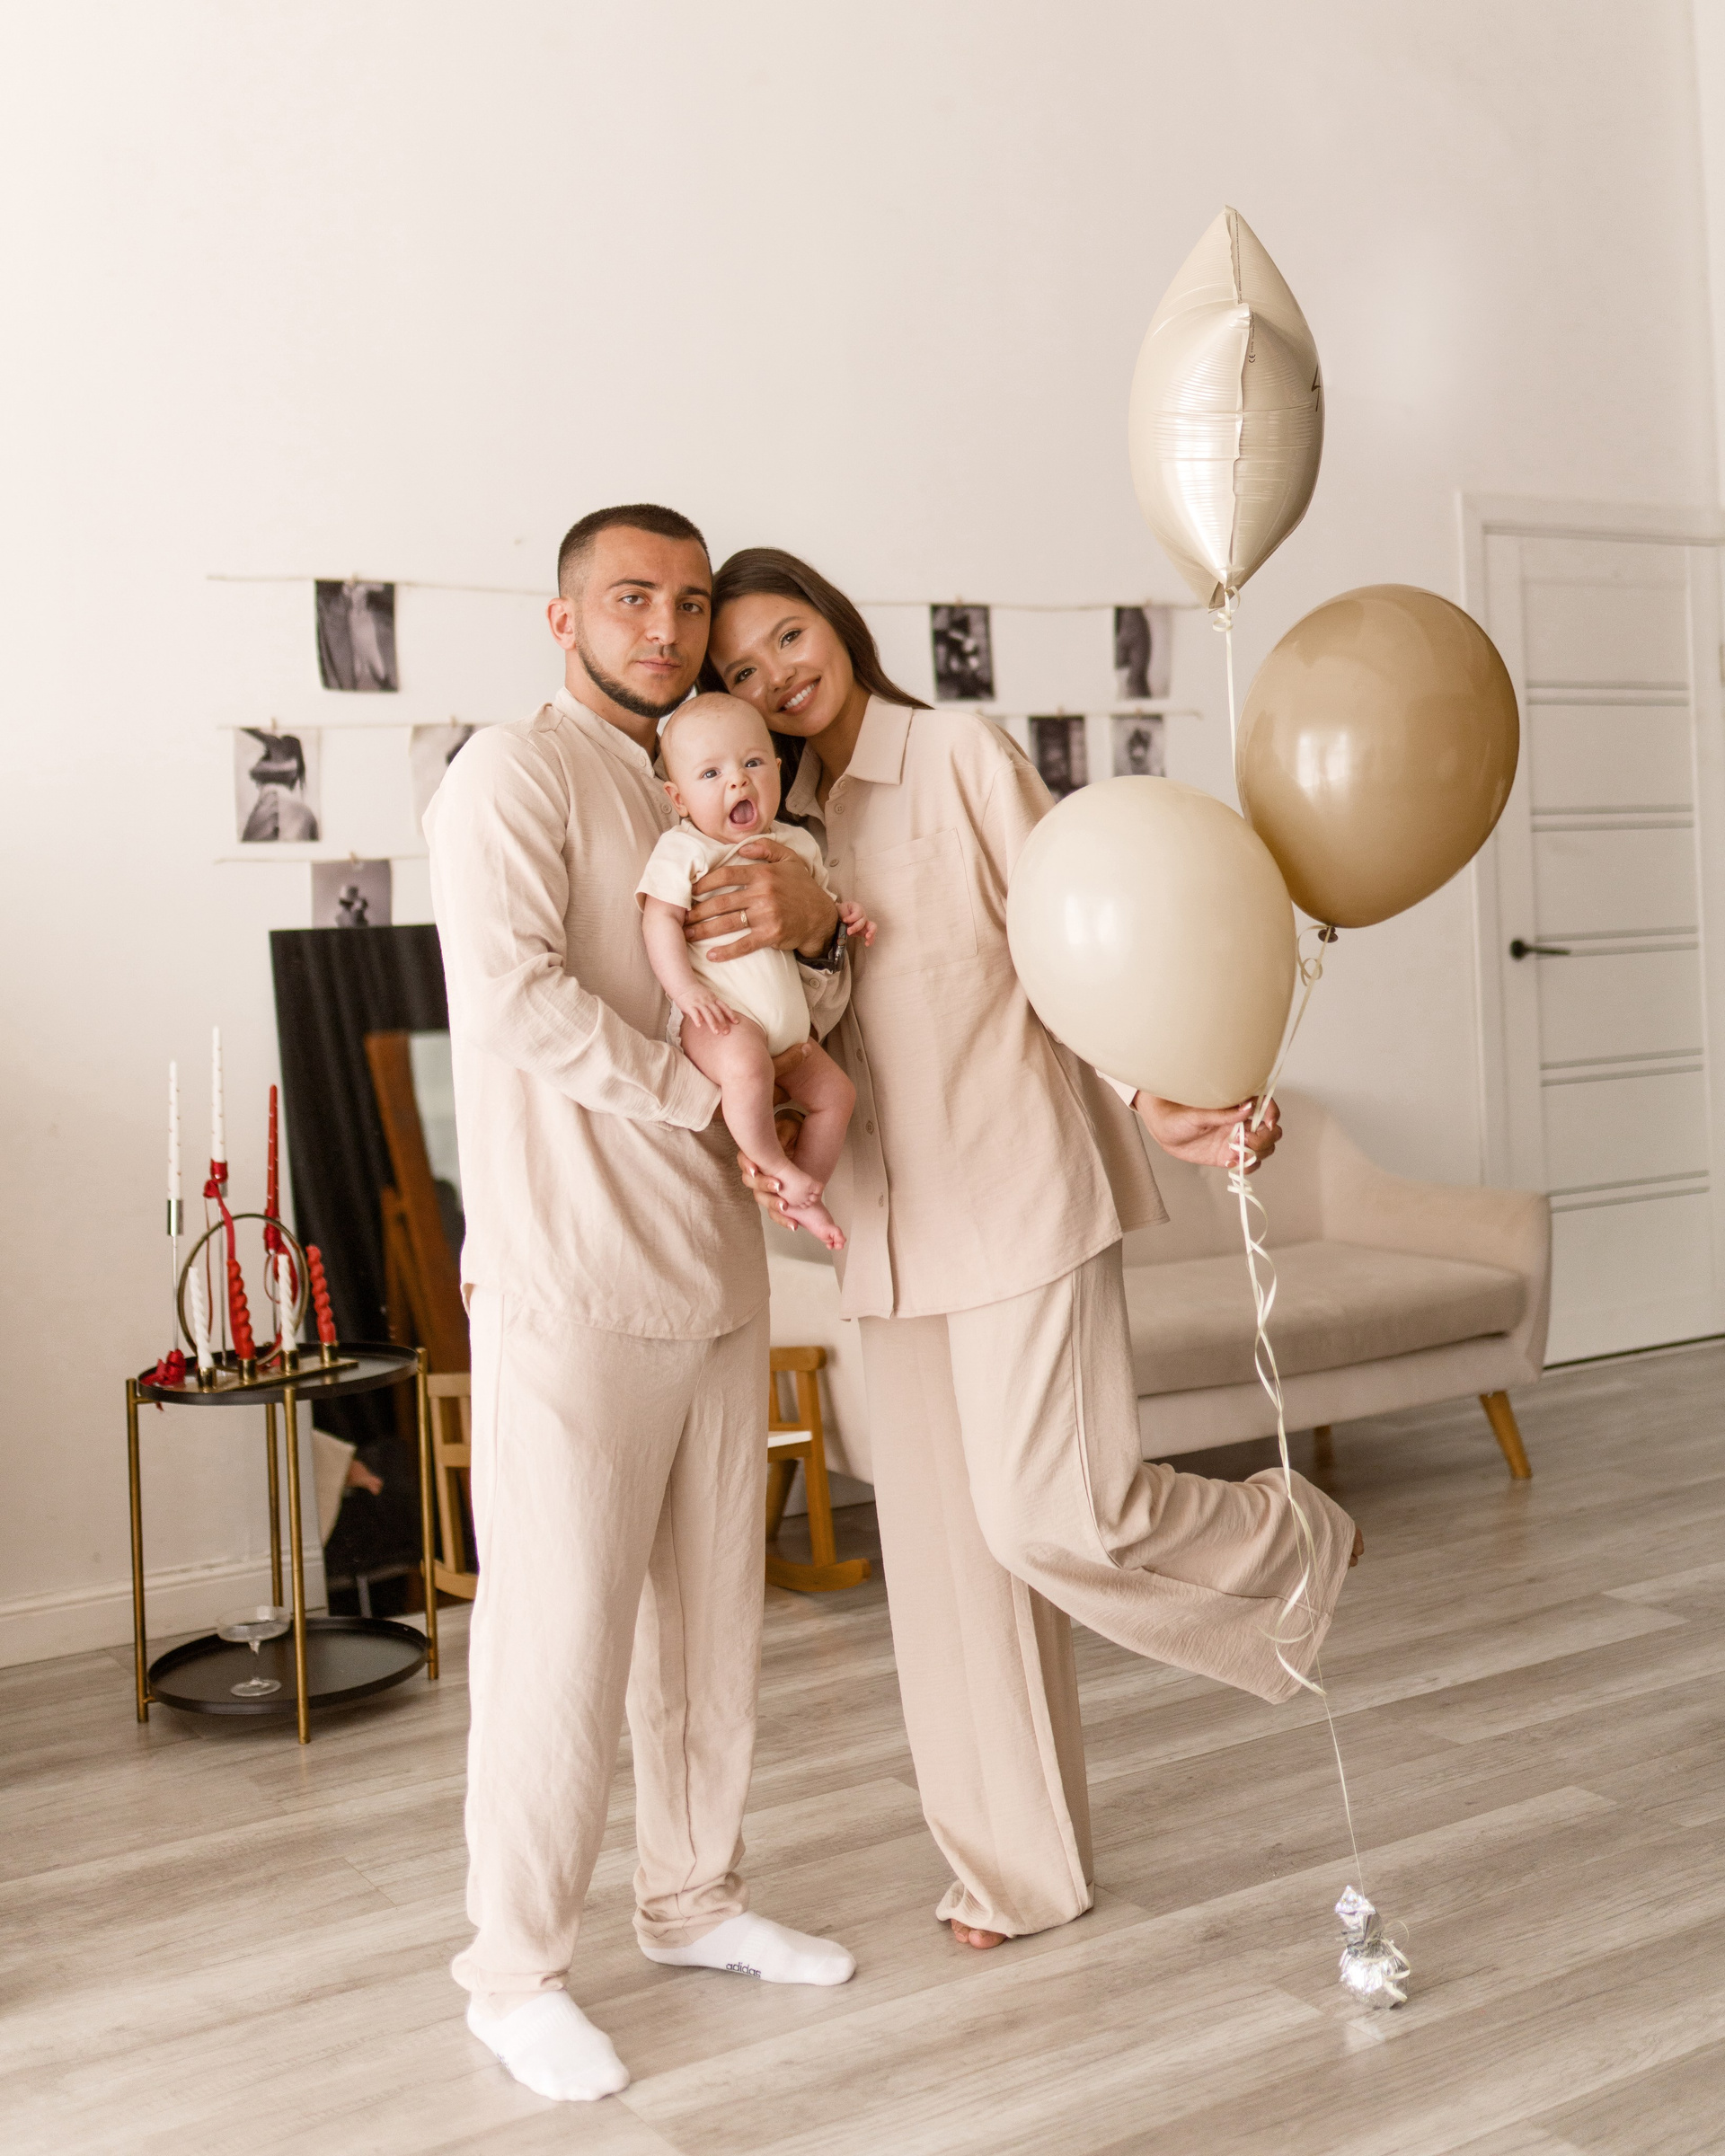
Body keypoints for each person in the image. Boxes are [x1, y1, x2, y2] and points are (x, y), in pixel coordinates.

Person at [701, 546, 1363, 1952]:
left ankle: (1290, 1538)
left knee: (1055, 1515)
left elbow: (1073, 948)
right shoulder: (766, 827)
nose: (776, 677)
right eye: (742, 670)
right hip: (887, 1228)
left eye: (790, 636)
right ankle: (1016, 1873)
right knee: (950, 1580)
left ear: (838, 621)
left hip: (1015, 1189)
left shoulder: (955, 755)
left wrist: (1155, 1096)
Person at [425, 506, 857, 2107]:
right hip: (568, 1275)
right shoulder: (510, 776)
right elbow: (514, 997)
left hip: (716, 1271)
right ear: (563, 619)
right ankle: (514, 1974)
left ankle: (694, 1902)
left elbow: (798, 996)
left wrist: (813, 944)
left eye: (687, 602)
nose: (665, 629)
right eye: (629, 600)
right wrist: (701, 1100)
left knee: (709, 1624)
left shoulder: (723, 781)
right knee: (557, 1641)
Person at [638, 693, 871, 1250]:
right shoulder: (684, 849)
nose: (738, 781)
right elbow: (659, 919)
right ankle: (775, 1164)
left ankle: (807, 1191)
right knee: (745, 1067)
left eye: (752, 763)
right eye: (711, 773)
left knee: (836, 1096)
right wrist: (686, 991)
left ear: (778, 771)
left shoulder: (795, 844)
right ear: (678, 798)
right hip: (720, 1019)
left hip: (791, 1029)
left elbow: (819, 907)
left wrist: (844, 914)